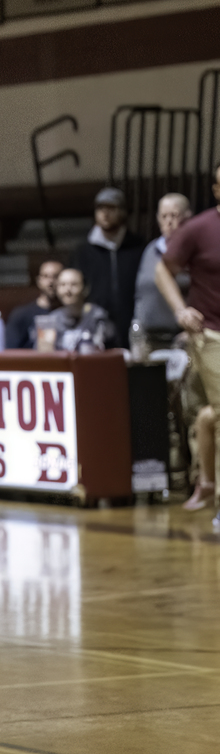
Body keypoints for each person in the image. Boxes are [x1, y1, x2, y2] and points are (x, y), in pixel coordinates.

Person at [156, 170, 220, 522]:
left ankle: (207, 481)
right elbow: (162, 269)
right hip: (210, 333)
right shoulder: (199, 228)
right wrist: (180, 309)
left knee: (210, 416)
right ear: (216, 190)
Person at [72, 186, 144, 349]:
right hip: (95, 326)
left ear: (123, 212)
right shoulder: (83, 251)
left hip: (132, 323)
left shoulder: (137, 246)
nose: (105, 213)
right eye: (100, 208)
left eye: (111, 208)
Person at [135, 193, 191, 352]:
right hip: (148, 338)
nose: (169, 221)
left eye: (174, 215)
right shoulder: (151, 250)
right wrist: (136, 324)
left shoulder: (195, 251)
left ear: (188, 217)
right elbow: (141, 291)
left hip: (181, 338)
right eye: (164, 216)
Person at [47, 267, 114, 351]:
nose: (67, 290)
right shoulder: (52, 320)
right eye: (62, 285)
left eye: (74, 284)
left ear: (85, 289)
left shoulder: (98, 317)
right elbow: (44, 353)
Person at [6, 259, 63, 350]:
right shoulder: (21, 315)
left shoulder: (70, 314)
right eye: (45, 276)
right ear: (38, 280)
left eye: (55, 276)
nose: (50, 282)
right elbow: (10, 352)